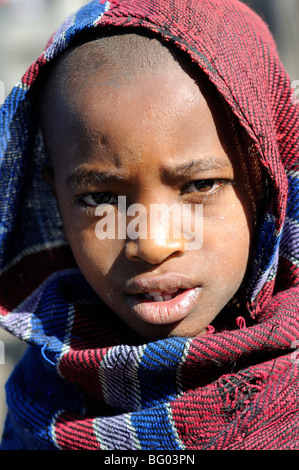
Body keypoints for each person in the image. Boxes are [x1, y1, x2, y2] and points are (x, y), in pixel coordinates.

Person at [0, 0, 298, 451]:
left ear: (264, 182)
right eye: (100, 198)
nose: (153, 244)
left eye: (200, 184)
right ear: (56, 200)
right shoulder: (45, 385)